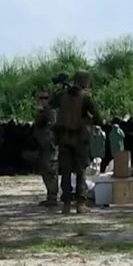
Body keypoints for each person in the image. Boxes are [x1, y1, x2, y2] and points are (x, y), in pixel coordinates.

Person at [53, 70, 102, 215]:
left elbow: (50, 104)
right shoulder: (85, 98)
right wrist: (87, 120)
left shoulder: (62, 95)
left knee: (66, 172)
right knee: (80, 172)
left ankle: (66, 205)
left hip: (63, 139)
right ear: (85, 82)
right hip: (80, 139)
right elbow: (98, 118)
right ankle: (80, 204)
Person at [32, 89, 59, 207]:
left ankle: (53, 197)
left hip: (50, 145)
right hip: (43, 145)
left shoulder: (51, 112)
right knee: (45, 171)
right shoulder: (43, 112)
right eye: (41, 98)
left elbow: (54, 128)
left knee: (51, 171)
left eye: (46, 98)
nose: (43, 101)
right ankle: (50, 196)